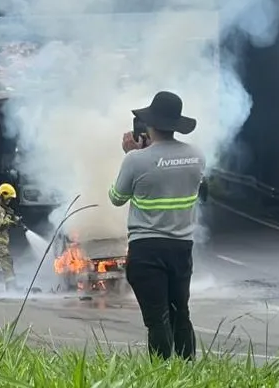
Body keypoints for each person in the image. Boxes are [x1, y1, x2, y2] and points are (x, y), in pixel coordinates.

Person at [108, 90, 206, 361]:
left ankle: (161, 374)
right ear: (176, 124)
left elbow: (117, 198)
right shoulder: (197, 156)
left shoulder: (136, 159)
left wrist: (132, 154)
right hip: (182, 248)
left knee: (157, 319)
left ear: (149, 125)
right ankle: (188, 369)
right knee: (180, 313)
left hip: (147, 249)